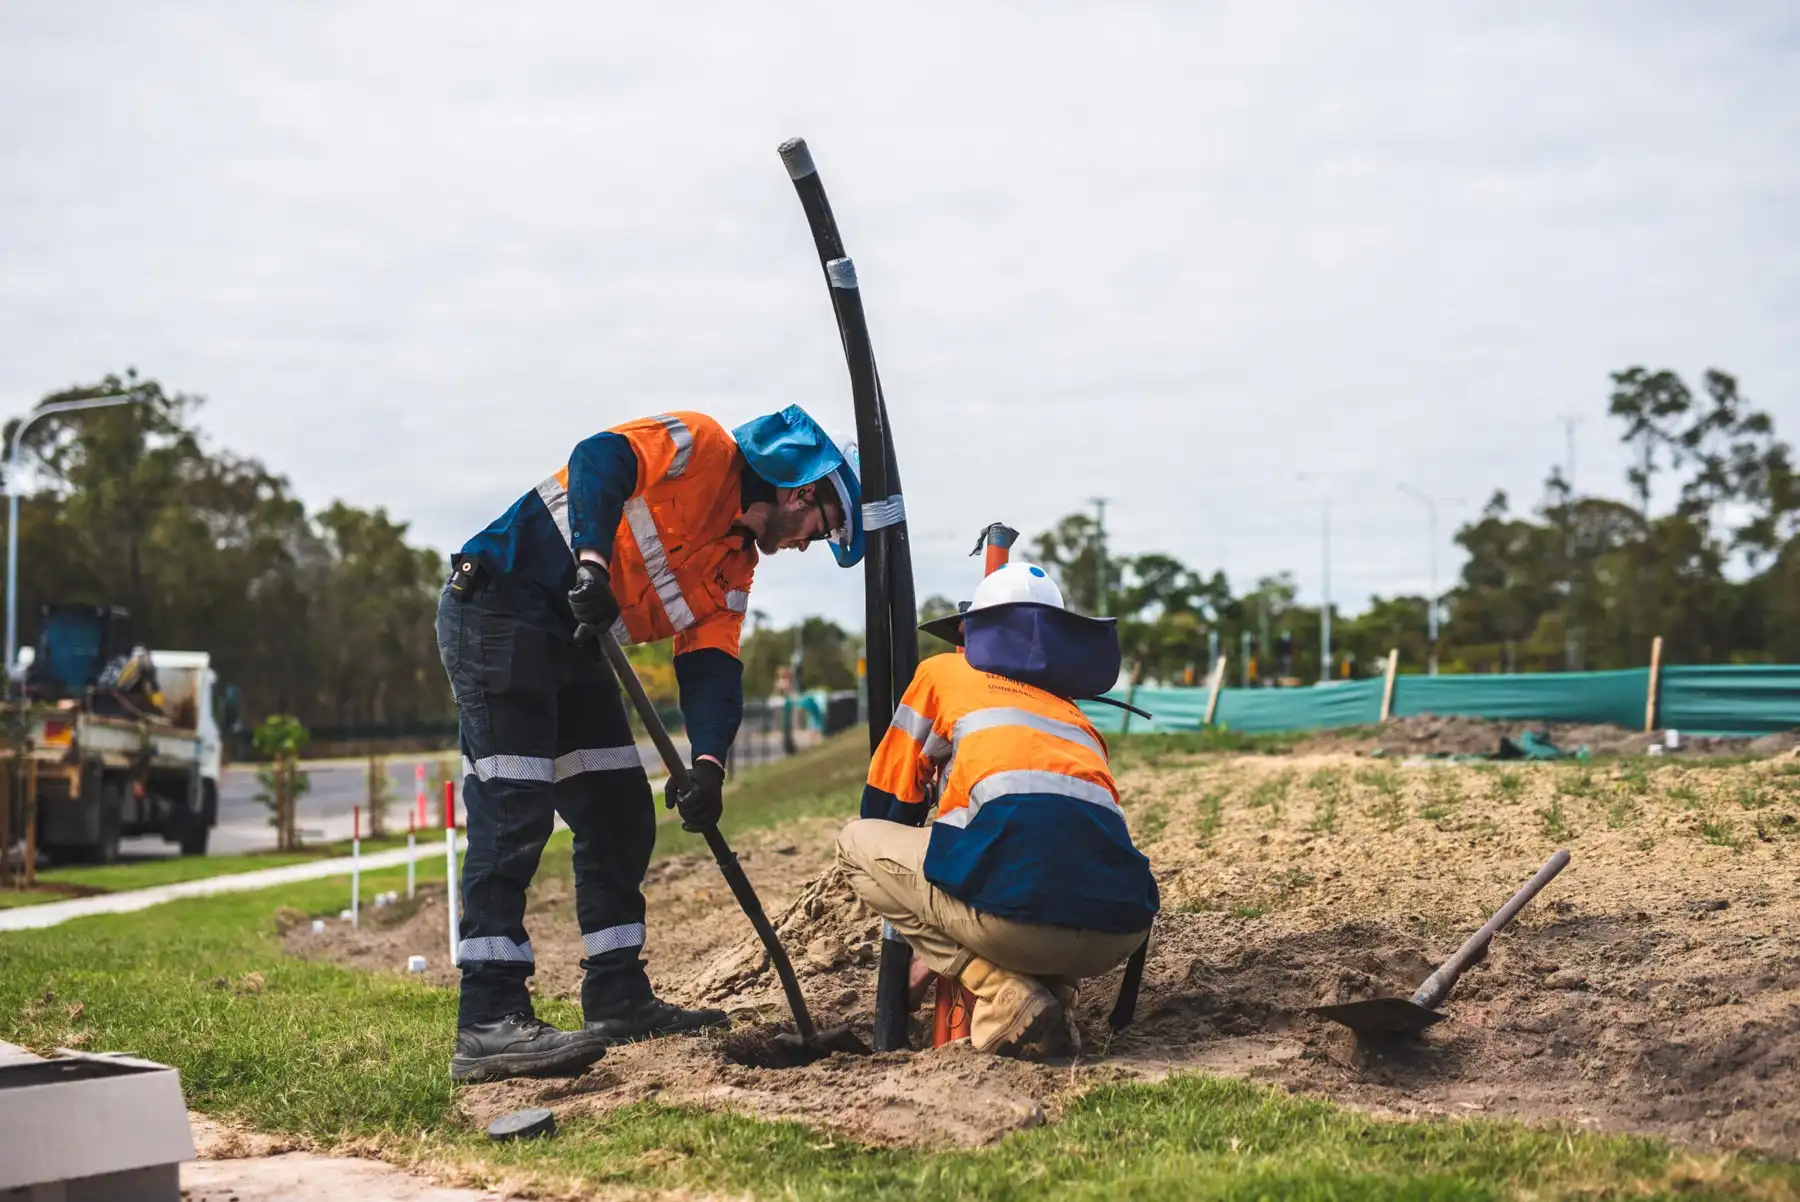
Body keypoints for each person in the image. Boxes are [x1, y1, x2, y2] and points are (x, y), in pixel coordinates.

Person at [437, 405, 865, 1083]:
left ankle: (617, 997)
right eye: (824, 526)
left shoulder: (735, 566)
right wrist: (591, 565)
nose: (813, 541)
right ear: (800, 491)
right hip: (501, 609)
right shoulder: (700, 444)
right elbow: (596, 459)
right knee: (514, 810)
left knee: (618, 814)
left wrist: (709, 767)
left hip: (579, 645)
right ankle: (488, 1019)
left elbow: (713, 667)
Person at [835, 563, 1159, 1059]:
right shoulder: (1073, 712)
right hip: (1117, 935)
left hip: (1012, 927)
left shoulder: (943, 673)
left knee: (856, 842)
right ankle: (1058, 1004)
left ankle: (999, 988)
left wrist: (930, 945)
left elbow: (886, 805)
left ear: (970, 630)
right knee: (1043, 861)